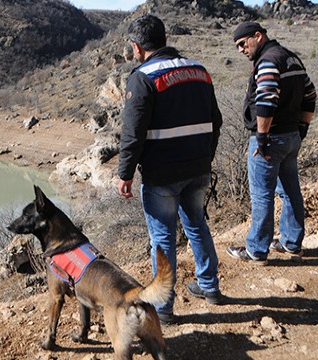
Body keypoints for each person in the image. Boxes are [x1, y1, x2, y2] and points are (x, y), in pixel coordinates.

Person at [116, 15, 223, 324]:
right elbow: (216, 121)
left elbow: (133, 133)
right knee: (197, 226)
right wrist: (207, 156)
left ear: (137, 47)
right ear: (164, 39)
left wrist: (124, 174)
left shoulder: (143, 76)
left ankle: (163, 311)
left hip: (162, 174)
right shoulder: (199, 71)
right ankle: (210, 286)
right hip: (198, 167)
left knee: (162, 239)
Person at [226, 22, 316, 265]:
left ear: (258, 36)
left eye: (243, 43)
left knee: (261, 196)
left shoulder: (268, 61)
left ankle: (256, 250)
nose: (241, 50)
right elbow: (311, 94)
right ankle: (292, 242)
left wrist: (263, 138)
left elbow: (266, 101)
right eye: (237, 46)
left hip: (270, 138)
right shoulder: (291, 58)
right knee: (290, 190)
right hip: (291, 137)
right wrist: (303, 128)